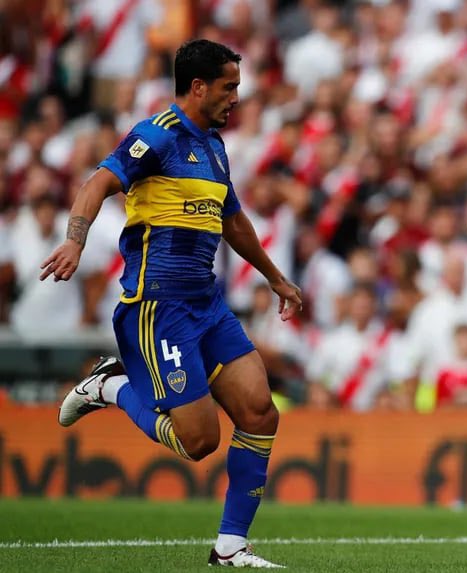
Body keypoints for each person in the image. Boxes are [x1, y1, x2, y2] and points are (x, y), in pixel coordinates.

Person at [41, 40, 301, 569]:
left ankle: (230, 548)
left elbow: (232, 220)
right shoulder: (156, 135)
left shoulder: (213, 146)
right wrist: (74, 239)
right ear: (198, 86)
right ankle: (109, 386)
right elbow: (98, 182)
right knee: (200, 441)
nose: (237, 97)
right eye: (229, 87)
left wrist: (276, 278)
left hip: (206, 302)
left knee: (259, 412)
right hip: (158, 307)